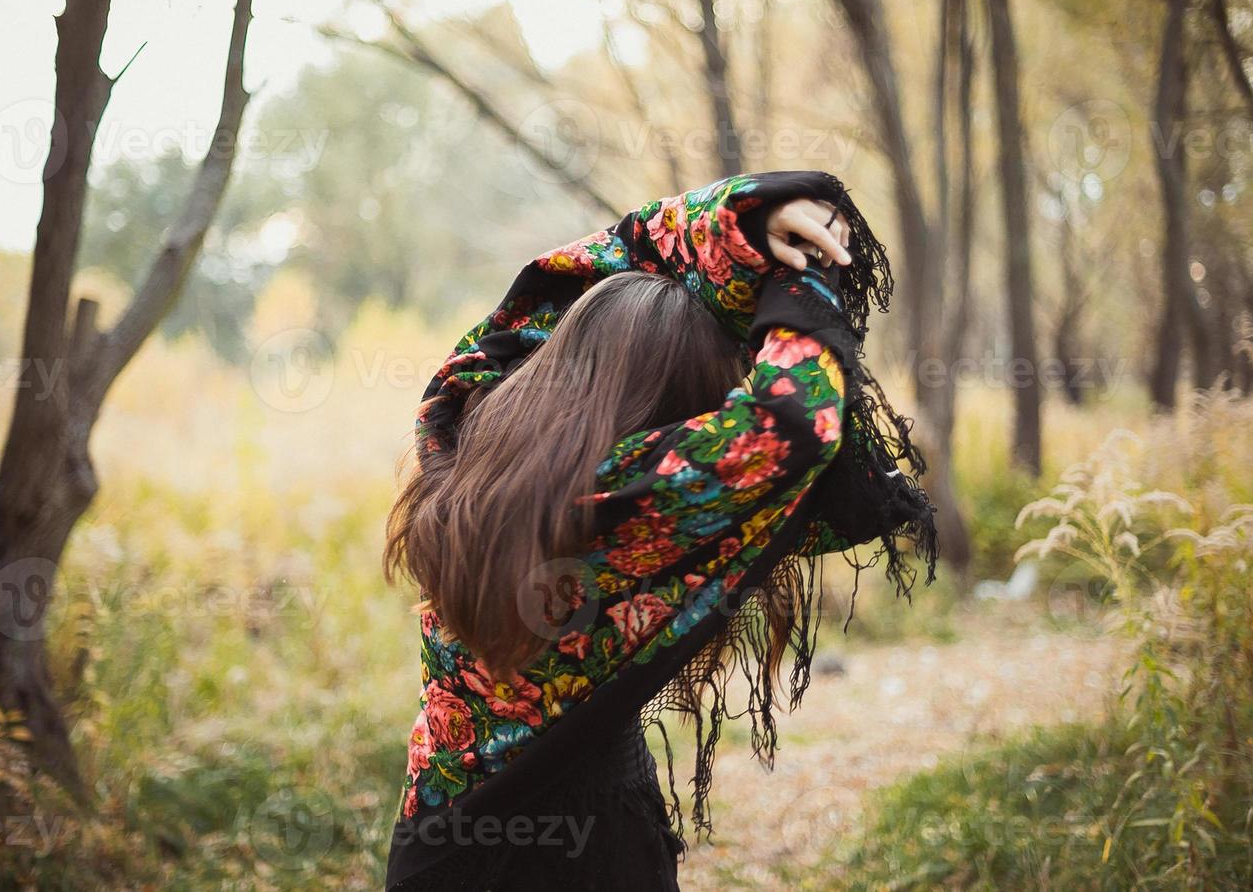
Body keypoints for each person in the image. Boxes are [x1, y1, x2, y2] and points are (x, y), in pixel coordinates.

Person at [383, 171, 938, 890]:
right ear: (671, 406)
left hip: (440, 852)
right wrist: (805, 282)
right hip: (561, 859)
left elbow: (555, 280)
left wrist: (742, 225)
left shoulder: (458, 433)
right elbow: (789, 429)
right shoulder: (613, 504)